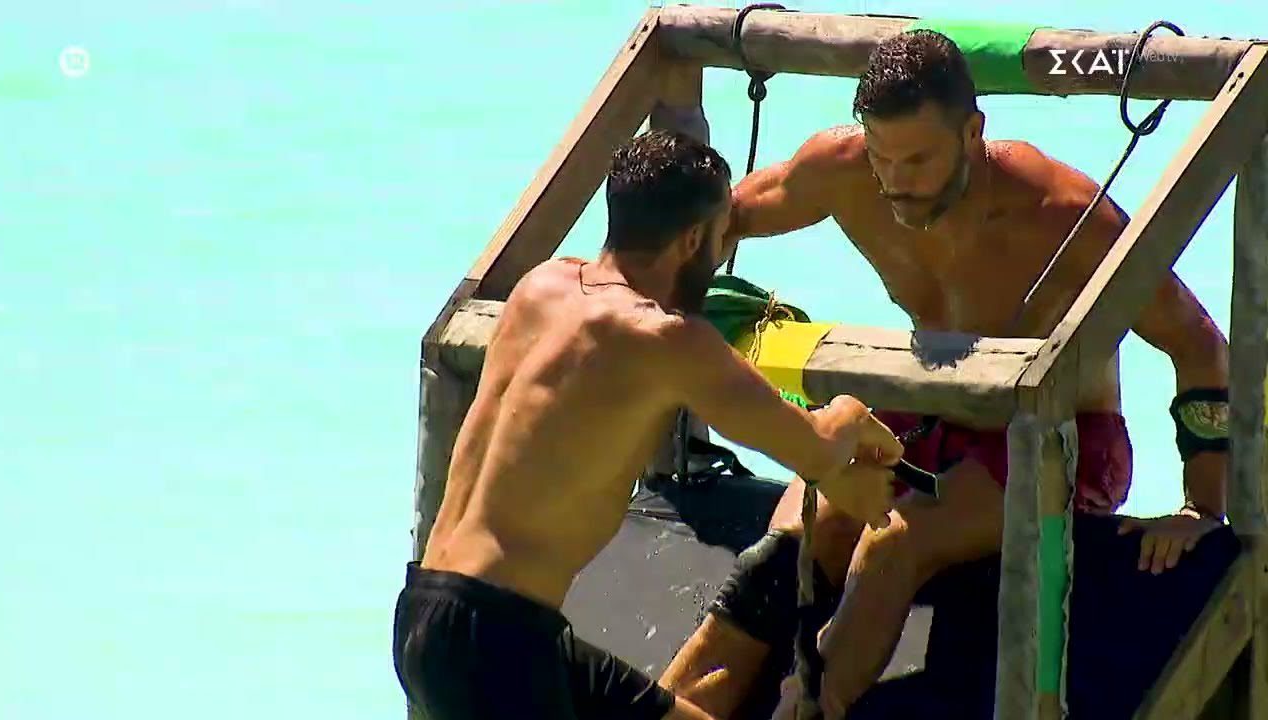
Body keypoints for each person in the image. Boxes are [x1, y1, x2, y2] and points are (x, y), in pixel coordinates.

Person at [657, 30, 1232, 719]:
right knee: (796, 540)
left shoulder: (1060, 216)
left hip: (1056, 437)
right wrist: (658, 304)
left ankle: (808, 708)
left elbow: (1199, 343)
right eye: (882, 156)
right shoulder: (844, 171)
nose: (896, 181)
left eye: (918, 160)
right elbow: (715, 222)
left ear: (972, 133)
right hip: (923, 415)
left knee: (895, 542)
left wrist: (1202, 508)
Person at [391, 128, 907, 720]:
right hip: (495, 642)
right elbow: (814, 449)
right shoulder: (664, 338)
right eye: (721, 237)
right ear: (693, 239)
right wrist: (854, 413)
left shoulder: (542, 286)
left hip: (430, 608)